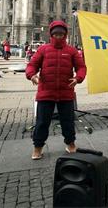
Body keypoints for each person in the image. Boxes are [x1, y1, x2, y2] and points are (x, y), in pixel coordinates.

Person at [25, 21, 86, 160]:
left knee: (68, 122)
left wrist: (78, 78)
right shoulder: (43, 49)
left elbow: (81, 67)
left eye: (61, 34)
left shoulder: (71, 50)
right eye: (56, 34)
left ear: (65, 35)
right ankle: (38, 147)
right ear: (51, 34)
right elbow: (32, 65)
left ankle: (70, 144)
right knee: (42, 122)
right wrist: (32, 75)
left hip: (66, 93)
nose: (58, 36)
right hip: (46, 93)